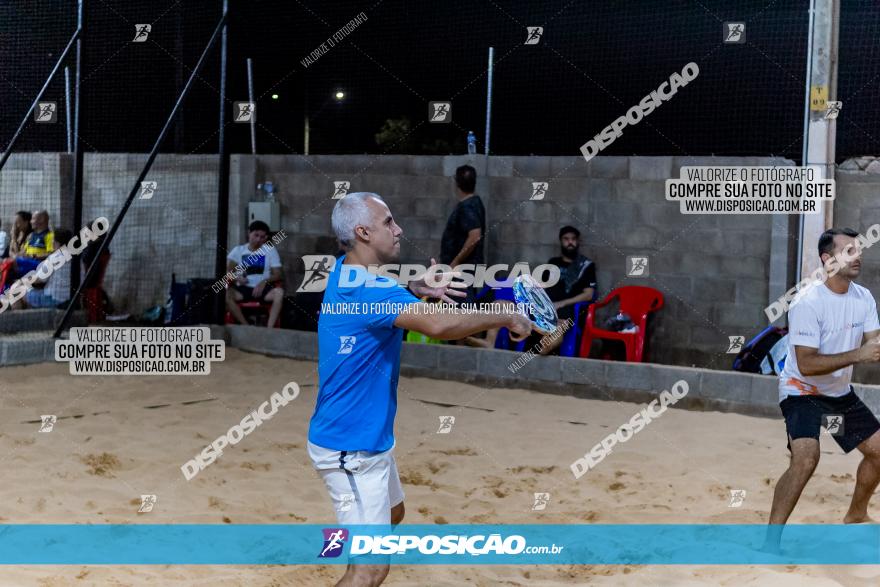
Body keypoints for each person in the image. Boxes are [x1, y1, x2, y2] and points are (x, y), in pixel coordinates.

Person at [308, 192, 531, 587]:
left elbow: (383, 303)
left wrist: (413, 288)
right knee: (372, 570)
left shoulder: (348, 272)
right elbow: (440, 326)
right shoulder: (371, 291)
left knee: (393, 513)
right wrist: (505, 312)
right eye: (389, 222)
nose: (399, 229)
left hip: (366, 439)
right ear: (362, 232)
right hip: (350, 446)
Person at [764, 228, 880, 553]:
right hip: (802, 393)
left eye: (858, 250)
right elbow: (807, 365)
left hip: (838, 398)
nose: (857, 256)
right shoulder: (807, 301)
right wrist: (859, 354)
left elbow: (875, 344)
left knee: (879, 452)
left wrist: (872, 347)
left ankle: (856, 514)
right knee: (805, 458)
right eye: (848, 251)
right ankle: (771, 542)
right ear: (828, 259)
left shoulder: (864, 298)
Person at [537, 226, 597, 355]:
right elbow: (542, 286)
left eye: (573, 239)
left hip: (569, 309)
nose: (570, 242)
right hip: (547, 307)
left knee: (557, 325)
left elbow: (588, 295)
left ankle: (543, 350)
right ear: (561, 241)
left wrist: (561, 303)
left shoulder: (586, 265)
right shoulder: (553, 262)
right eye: (566, 239)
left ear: (578, 241)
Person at [225, 220, 285, 327]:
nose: (258, 239)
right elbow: (227, 272)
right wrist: (237, 278)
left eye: (262, 237)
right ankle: (246, 326)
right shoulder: (238, 250)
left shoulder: (270, 250)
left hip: (263, 290)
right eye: (256, 235)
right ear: (249, 233)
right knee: (226, 296)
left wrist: (264, 281)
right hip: (243, 288)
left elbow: (278, 274)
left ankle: (269, 329)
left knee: (279, 293)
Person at [440, 164, 485, 276]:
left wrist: (456, 262)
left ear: (457, 183)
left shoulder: (467, 207)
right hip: (465, 269)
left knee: (461, 293)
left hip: (462, 271)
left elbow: (474, 236)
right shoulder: (476, 202)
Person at [23, 228, 73, 309]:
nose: (52, 242)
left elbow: (39, 279)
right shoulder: (77, 257)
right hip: (72, 299)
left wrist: (23, 281)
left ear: (57, 242)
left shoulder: (55, 257)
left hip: (54, 299)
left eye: (53, 240)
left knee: (19, 292)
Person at [16, 210, 54, 274]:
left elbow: (52, 254)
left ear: (41, 220)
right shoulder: (31, 235)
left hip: (39, 265)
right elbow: (23, 252)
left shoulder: (50, 236)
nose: (30, 222)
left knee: (13, 265)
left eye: (33, 219)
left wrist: (34, 256)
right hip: (26, 263)